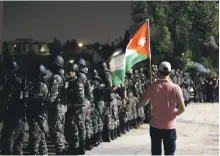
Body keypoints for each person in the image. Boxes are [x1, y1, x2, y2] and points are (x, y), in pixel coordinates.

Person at [137, 61, 186, 155]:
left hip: (155, 125)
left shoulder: (152, 87)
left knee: (156, 153)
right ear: (170, 73)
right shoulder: (176, 88)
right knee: (170, 153)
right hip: (170, 126)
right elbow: (182, 109)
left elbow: (141, 104)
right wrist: (173, 114)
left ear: (158, 72)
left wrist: (148, 91)